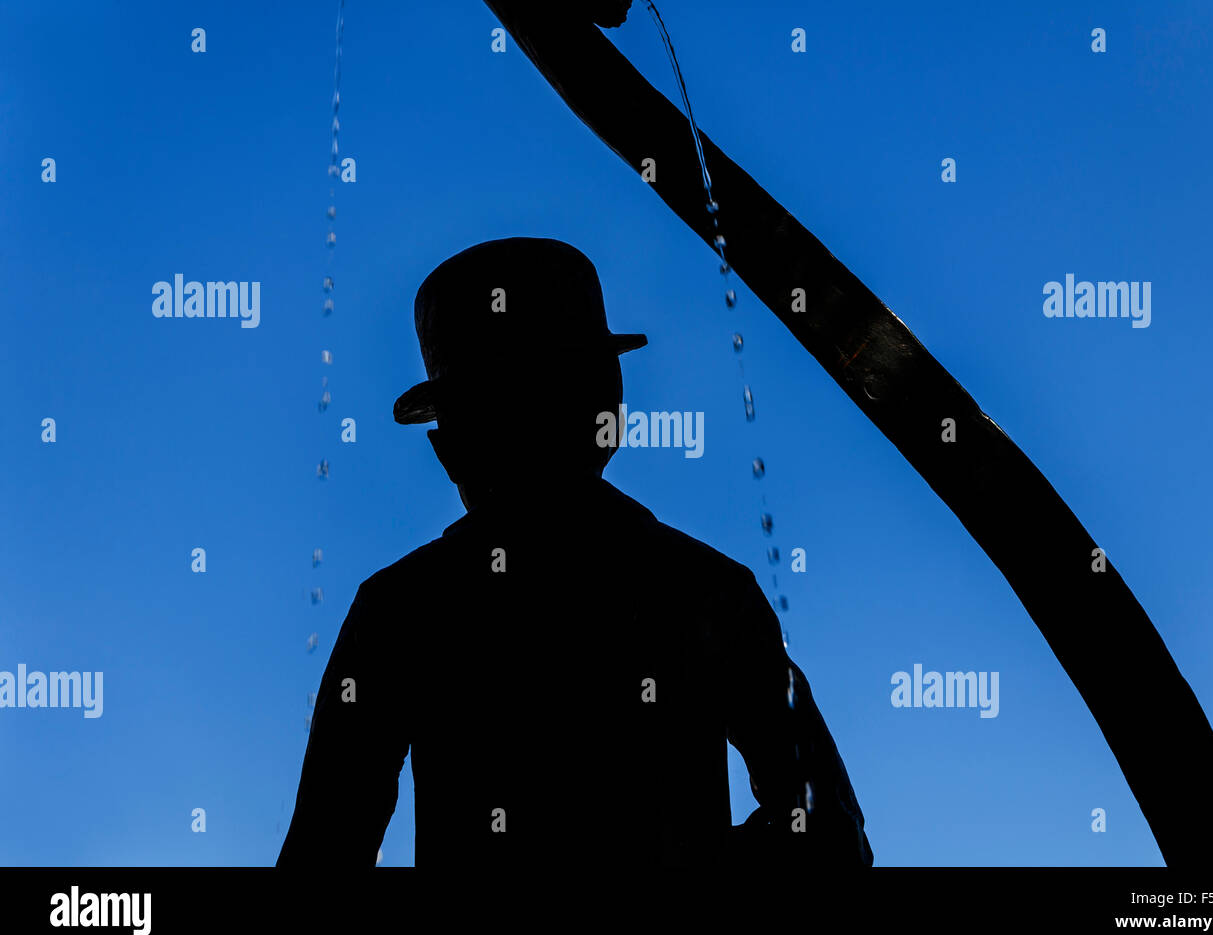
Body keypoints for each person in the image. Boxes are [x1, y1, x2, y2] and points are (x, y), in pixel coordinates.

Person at [276, 238, 872, 871]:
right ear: (608, 407)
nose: (444, 449)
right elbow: (831, 837)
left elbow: (321, 859)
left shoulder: (401, 610)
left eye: (453, 424)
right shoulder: (707, 591)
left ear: (457, 445)